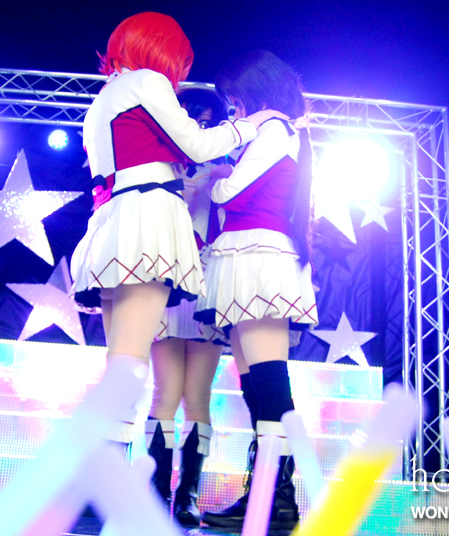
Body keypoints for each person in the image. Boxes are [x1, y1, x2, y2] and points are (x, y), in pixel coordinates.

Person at [70, 13, 284, 460]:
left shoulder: (105, 97)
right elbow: (199, 145)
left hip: (111, 222)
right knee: (128, 365)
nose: (179, 73)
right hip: (144, 221)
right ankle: (98, 477)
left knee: (121, 362)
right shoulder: (146, 81)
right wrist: (254, 123)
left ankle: (100, 476)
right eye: (181, 61)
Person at [195, 49, 319, 531]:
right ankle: (265, 496)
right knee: (257, 385)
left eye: (236, 97)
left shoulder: (273, 129)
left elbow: (231, 194)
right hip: (249, 255)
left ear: (255, 91)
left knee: (269, 383)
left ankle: (276, 500)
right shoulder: (277, 131)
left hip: (260, 256)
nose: (234, 107)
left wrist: (218, 179)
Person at [144, 87, 230, 527]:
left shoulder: (228, 172)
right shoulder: (159, 168)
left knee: (197, 398)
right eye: (193, 117)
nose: (200, 126)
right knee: (165, 393)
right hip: (167, 281)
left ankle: (188, 493)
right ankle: (155, 489)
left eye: (209, 121)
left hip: (208, 284)